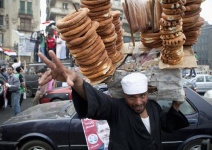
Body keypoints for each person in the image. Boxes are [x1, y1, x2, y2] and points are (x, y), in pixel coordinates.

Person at [38, 50, 189, 150]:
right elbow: (97, 99)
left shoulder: (153, 107)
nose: (138, 102)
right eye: (132, 97)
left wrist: (176, 105)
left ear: (147, 93)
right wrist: (77, 80)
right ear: (124, 95)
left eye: (142, 96)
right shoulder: (116, 108)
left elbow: (168, 125)